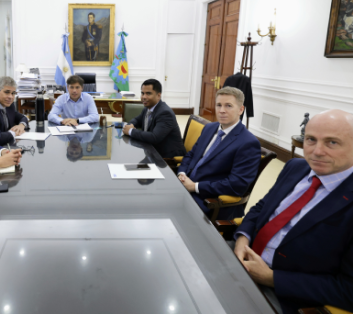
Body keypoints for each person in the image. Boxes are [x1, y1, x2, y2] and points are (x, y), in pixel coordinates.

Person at [233, 109, 353, 313]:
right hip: (240, 259)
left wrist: (272, 279)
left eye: (332, 142)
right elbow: (262, 207)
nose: (316, 151)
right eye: (311, 139)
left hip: (286, 297)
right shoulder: (295, 167)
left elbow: (348, 290)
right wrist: (242, 239)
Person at [177, 87, 261, 219]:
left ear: (241, 109)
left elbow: (236, 184)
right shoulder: (210, 128)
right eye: (218, 105)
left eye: (228, 106)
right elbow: (191, 155)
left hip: (210, 202)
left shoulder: (248, 143)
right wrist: (182, 173)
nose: (222, 110)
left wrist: (195, 187)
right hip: (186, 186)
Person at [123, 79, 186, 159]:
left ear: (158, 95)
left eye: (148, 93)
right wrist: (130, 125)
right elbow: (136, 120)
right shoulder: (147, 108)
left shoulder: (165, 113)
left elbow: (154, 137)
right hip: (151, 151)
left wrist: (131, 131)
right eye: (142, 93)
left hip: (167, 158)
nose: (144, 97)